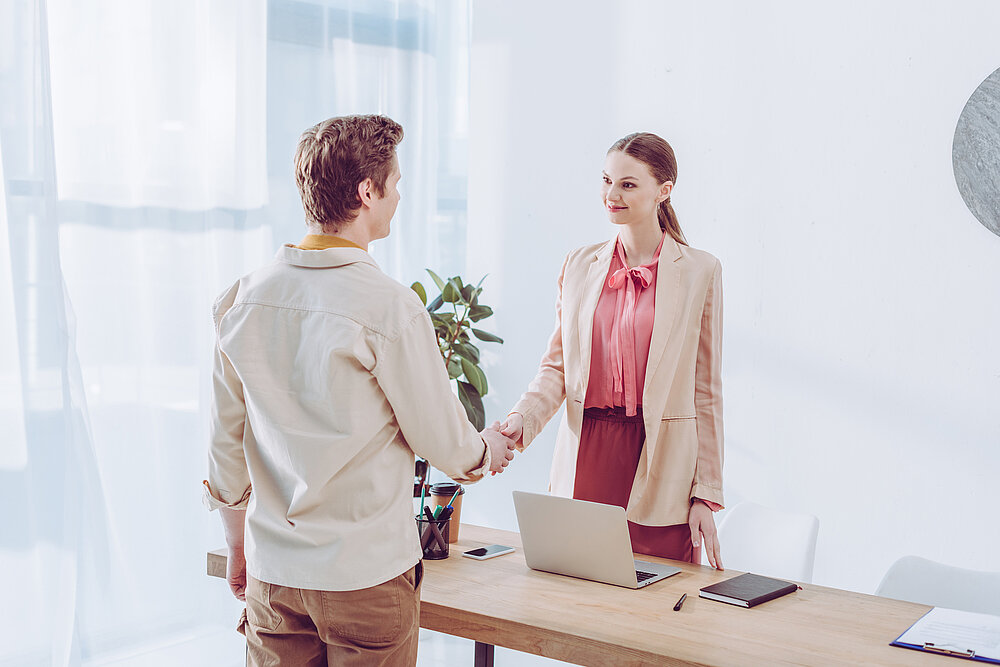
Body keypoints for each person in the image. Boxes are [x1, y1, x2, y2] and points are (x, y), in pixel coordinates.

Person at [202, 114, 517, 666]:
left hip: (274, 575)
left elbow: (225, 452)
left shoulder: (242, 301)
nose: (399, 197)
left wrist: (237, 547)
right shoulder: (388, 307)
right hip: (364, 578)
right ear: (367, 191)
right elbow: (444, 442)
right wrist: (488, 449)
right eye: (394, 185)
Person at [499, 131, 725, 569]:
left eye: (627, 183)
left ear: (665, 190)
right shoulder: (579, 265)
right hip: (590, 453)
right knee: (577, 596)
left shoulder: (700, 271)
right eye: (606, 180)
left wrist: (705, 494)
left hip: (662, 458)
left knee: (658, 603)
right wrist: (519, 421)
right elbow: (557, 369)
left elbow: (706, 393)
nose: (611, 194)